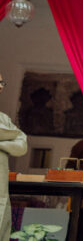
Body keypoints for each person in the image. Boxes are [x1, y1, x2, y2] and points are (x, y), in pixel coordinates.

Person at [0, 73, 28, 241]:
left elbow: (22, 146)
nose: (0, 87)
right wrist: (8, 139)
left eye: (2, 82)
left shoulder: (4, 119)